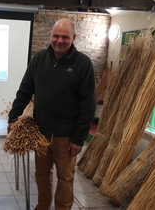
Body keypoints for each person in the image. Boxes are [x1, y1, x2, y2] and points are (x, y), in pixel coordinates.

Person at [8, 18, 96, 210]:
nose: (59, 40)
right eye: (56, 36)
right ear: (50, 36)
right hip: (41, 133)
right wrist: (13, 118)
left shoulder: (83, 64)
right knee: (41, 174)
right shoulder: (39, 59)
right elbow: (24, 90)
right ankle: (42, 205)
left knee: (65, 178)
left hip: (66, 137)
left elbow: (88, 105)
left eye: (65, 37)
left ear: (74, 37)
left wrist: (79, 138)